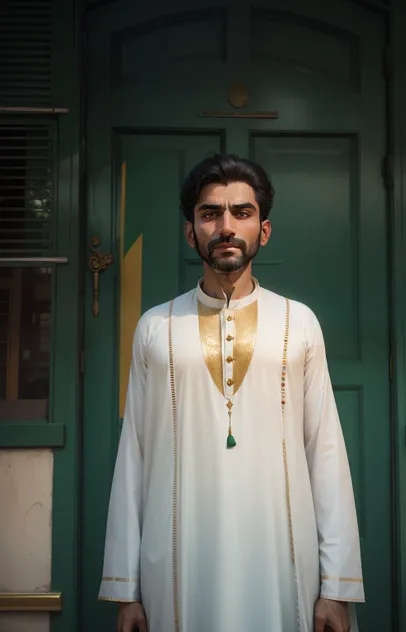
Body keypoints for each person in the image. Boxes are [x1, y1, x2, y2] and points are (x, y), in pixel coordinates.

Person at [98, 154, 364, 632]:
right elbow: (132, 458)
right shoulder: (154, 328)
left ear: (263, 230)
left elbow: (325, 453)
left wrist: (337, 586)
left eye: (241, 212)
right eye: (209, 213)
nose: (225, 226)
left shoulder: (298, 322)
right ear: (190, 232)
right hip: (175, 569)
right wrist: (126, 590)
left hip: (283, 563)